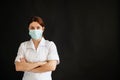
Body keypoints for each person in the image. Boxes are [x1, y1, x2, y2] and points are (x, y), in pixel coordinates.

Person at [14, 16, 60, 80]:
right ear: (29, 29)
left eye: (38, 28)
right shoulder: (23, 46)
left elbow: (51, 66)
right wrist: (40, 63)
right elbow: (18, 67)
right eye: (32, 28)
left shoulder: (50, 45)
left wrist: (27, 66)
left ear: (43, 29)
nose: (35, 30)